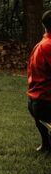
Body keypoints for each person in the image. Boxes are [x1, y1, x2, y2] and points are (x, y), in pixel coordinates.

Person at [26, 10, 51, 154]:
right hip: (45, 103)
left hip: (36, 101)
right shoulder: (48, 46)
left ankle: (46, 145)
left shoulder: (41, 44)